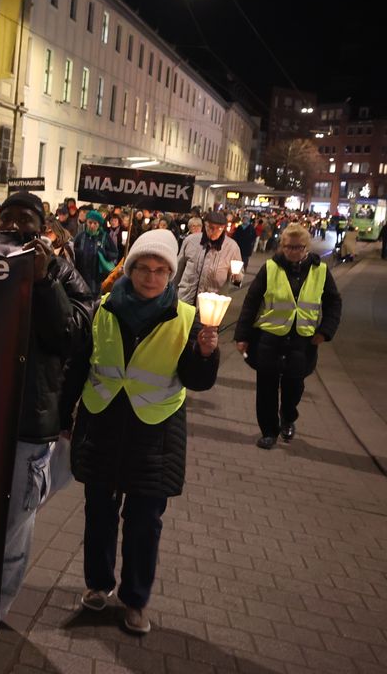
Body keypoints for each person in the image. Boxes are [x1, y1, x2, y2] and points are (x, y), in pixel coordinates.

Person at [65, 229, 219, 635]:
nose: (151, 277)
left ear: (171, 274)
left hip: (156, 434)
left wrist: (206, 352)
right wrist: (64, 416)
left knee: (144, 521)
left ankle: (135, 600)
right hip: (102, 425)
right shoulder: (103, 309)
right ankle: (99, 585)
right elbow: (81, 365)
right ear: (130, 270)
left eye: (160, 270)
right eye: (143, 269)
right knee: (99, 513)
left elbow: (197, 381)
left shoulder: (188, 318)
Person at [0, 191, 93, 642]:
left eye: (27, 220)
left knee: (14, 522)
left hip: (30, 420)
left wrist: (42, 281)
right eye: (9, 218)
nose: (16, 227)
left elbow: (69, 338)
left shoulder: (64, 275)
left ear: (45, 228)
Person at [234, 223, 342, 449]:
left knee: (295, 385)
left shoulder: (320, 270)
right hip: (270, 338)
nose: (293, 251)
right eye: (289, 247)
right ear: (282, 246)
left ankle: (288, 416)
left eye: (298, 247)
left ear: (307, 247)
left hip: (303, 340)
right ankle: (269, 431)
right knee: (266, 387)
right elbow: (251, 302)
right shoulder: (270, 267)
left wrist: (325, 331)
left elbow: (333, 302)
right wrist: (242, 336)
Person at [176, 211, 243, 305]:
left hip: (211, 305)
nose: (215, 231)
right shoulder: (191, 241)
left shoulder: (232, 247)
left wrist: (237, 277)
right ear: (205, 225)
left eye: (219, 228)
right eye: (211, 228)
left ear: (224, 228)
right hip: (185, 299)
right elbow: (179, 268)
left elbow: (238, 277)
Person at [72, 210, 119, 297]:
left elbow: (114, 253)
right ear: (86, 222)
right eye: (90, 222)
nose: (92, 226)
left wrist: (103, 253)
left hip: (96, 280)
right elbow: (72, 252)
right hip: (81, 277)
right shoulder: (81, 236)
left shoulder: (104, 237)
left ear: (99, 225)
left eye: (95, 223)